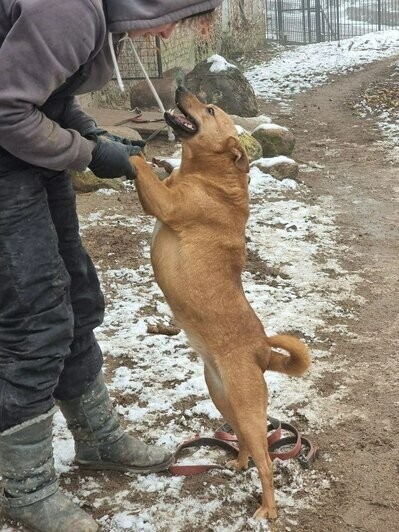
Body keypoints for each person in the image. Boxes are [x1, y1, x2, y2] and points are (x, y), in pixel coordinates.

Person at [0, 1, 223, 531]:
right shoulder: (68, 9)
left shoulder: (99, 16)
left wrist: (92, 136)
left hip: (24, 152)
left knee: (77, 293)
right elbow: (6, 109)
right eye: (179, 13)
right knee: (34, 317)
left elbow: (47, 100)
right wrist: (87, 154)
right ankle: (24, 488)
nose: (173, 30)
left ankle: (98, 439)